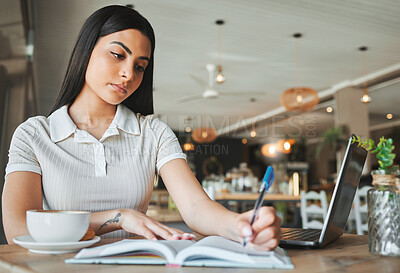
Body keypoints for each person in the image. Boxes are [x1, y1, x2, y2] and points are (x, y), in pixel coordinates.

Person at [2, 5, 280, 250]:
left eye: (140, 66)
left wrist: (241, 225)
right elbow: (19, 231)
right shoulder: (35, 135)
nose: (128, 74)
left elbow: (196, 208)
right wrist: (119, 218)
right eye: (117, 55)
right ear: (86, 50)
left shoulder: (154, 134)